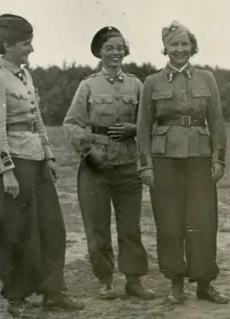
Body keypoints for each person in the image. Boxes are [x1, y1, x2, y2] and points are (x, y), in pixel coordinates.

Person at [0, 13, 84, 317]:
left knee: (52, 227)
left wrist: (48, 156)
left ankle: (53, 291)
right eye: (26, 44)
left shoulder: (25, 75)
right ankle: (15, 296)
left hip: (36, 160)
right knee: (16, 230)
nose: (31, 49)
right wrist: (7, 171)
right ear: (8, 44)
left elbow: (36, 118)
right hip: (12, 162)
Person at [136, 20, 229, 305]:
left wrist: (218, 158)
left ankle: (204, 283)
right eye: (174, 44)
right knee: (169, 222)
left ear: (192, 47)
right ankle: (175, 283)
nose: (180, 49)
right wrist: (146, 165)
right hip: (164, 160)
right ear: (165, 48)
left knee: (203, 221)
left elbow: (216, 121)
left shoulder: (207, 78)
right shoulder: (152, 82)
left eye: (184, 44)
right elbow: (143, 126)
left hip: (200, 159)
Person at [63, 26, 155, 300]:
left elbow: (150, 122)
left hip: (128, 166)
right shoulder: (88, 85)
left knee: (130, 227)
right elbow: (71, 124)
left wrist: (134, 129)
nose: (115, 52)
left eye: (120, 47)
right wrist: (89, 152)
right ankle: (105, 280)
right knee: (97, 227)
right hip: (96, 168)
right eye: (109, 48)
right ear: (99, 52)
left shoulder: (137, 85)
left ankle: (134, 280)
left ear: (125, 51)